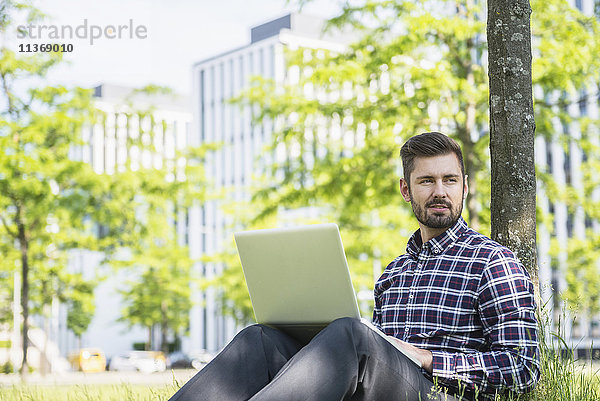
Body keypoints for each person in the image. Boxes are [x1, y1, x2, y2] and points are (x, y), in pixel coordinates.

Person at [168, 131, 540, 401]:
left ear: (465, 187)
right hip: (383, 388)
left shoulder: (493, 261)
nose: (439, 191)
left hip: (444, 395)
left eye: (449, 180)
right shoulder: (393, 274)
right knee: (260, 340)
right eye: (426, 181)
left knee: (354, 335)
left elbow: (523, 369)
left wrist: (425, 358)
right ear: (406, 190)